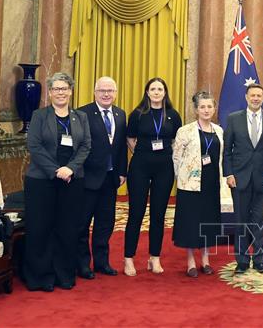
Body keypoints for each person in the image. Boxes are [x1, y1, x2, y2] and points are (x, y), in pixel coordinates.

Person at [23, 72, 91, 291]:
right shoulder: (39, 115)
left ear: (71, 91)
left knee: (67, 228)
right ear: (50, 92)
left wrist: (70, 168)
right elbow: (34, 146)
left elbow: (85, 146)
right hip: (42, 180)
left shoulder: (80, 117)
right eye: (56, 89)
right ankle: (40, 277)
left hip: (72, 180)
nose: (61, 92)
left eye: (65, 88)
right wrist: (56, 170)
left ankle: (64, 275)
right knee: (41, 228)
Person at [124, 77, 182, 276]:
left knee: (158, 214)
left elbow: (177, 140)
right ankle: (128, 259)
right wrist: (142, 152)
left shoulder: (173, 115)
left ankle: (154, 258)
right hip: (140, 166)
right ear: (147, 92)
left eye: (160, 89)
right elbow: (130, 138)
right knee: (136, 213)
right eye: (153, 89)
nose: (156, 92)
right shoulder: (138, 114)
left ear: (165, 93)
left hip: (164, 168)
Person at [223, 84, 263, 274]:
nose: (256, 98)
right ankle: (242, 260)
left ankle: (260, 260)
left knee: (262, 222)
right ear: (246, 97)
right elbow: (227, 151)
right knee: (241, 221)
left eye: (259, 95)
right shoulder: (233, 119)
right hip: (239, 179)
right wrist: (229, 174)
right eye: (252, 95)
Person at [77, 76, 127, 279]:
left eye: (110, 91)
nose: (106, 94)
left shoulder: (120, 114)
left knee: (105, 223)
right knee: (82, 224)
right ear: (95, 92)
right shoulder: (82, 113)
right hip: (88, 178)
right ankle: (82, 264)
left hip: (111, 178)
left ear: (115, 93)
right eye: (102, 90)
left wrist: (122, 171)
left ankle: (101, 262)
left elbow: (121, 147)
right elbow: (78, 146)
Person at [172, 92, 223, 277]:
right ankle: (191, 261)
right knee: (191, 222)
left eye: (210, 106)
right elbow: (176, 158)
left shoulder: (219, 131)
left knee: (208, 222)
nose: (206, 110)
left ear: (214, 109)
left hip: (211, 184)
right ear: (196, 110)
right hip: (190, 185)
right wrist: (182, 178)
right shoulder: (185, 131)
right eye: (202, 107)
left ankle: (206, 260)